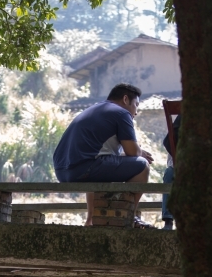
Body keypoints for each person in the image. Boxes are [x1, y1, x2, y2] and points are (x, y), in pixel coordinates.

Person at [53, 83, 154, 226]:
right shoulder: (121, 113)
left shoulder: (95, 109)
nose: (136, 112)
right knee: (142, 165)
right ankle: (128, 218)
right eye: (136, 105)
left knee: (103, 168)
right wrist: (141, 152)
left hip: (63, 172)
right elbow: (133, 152)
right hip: (86, 168)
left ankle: (91, 220)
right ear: (125, 99)